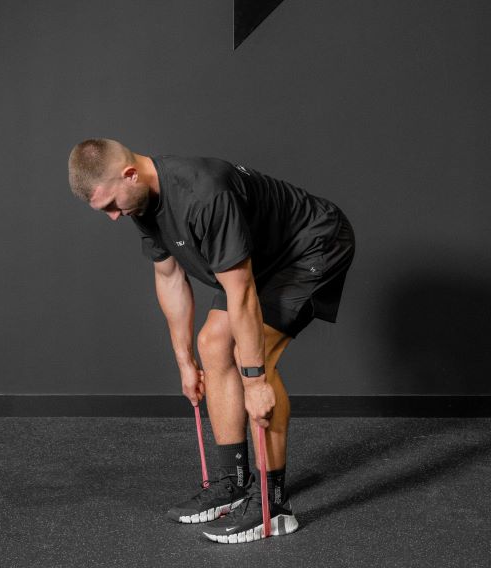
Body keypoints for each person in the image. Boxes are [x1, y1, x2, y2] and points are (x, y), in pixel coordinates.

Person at [67, 138, 355, 544]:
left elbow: (241, 294)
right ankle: (232, 483)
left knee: (251, 356)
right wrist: (185, 362)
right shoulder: (141, 201)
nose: (115, 217)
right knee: (211, 344)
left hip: (312, 243)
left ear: (129, 174)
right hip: (262, 255)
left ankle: (275, 506)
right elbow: (169, 278)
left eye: (113, 205)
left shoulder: (204, 193)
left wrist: (255, 382)